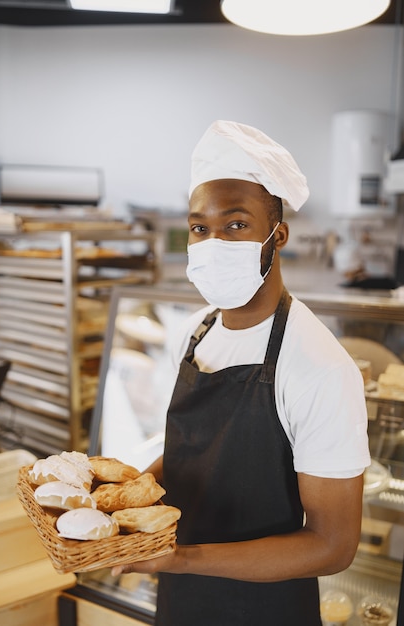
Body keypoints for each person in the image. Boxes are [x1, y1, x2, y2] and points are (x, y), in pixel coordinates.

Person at [112, 120, 371, 626]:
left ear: (279, 235)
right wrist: (124, 496)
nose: (213, 243)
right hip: (181, 598)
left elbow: (333, 545)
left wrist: (185, 558)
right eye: (199, 228)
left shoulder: (319, 365)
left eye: (236, 224)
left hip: (265, 609)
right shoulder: (194, 333)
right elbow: (199, 450)